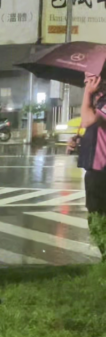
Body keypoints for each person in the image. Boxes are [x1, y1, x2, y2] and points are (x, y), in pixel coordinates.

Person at [73, 73, 106, 257]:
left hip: (103, 171)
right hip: (95, 170)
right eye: (86, 79)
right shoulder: (98, 102)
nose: (87, 82)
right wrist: (80, 141)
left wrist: (87, 94)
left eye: (91, 78)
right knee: (95, 214)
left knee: (100, 216)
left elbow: (87, 120)